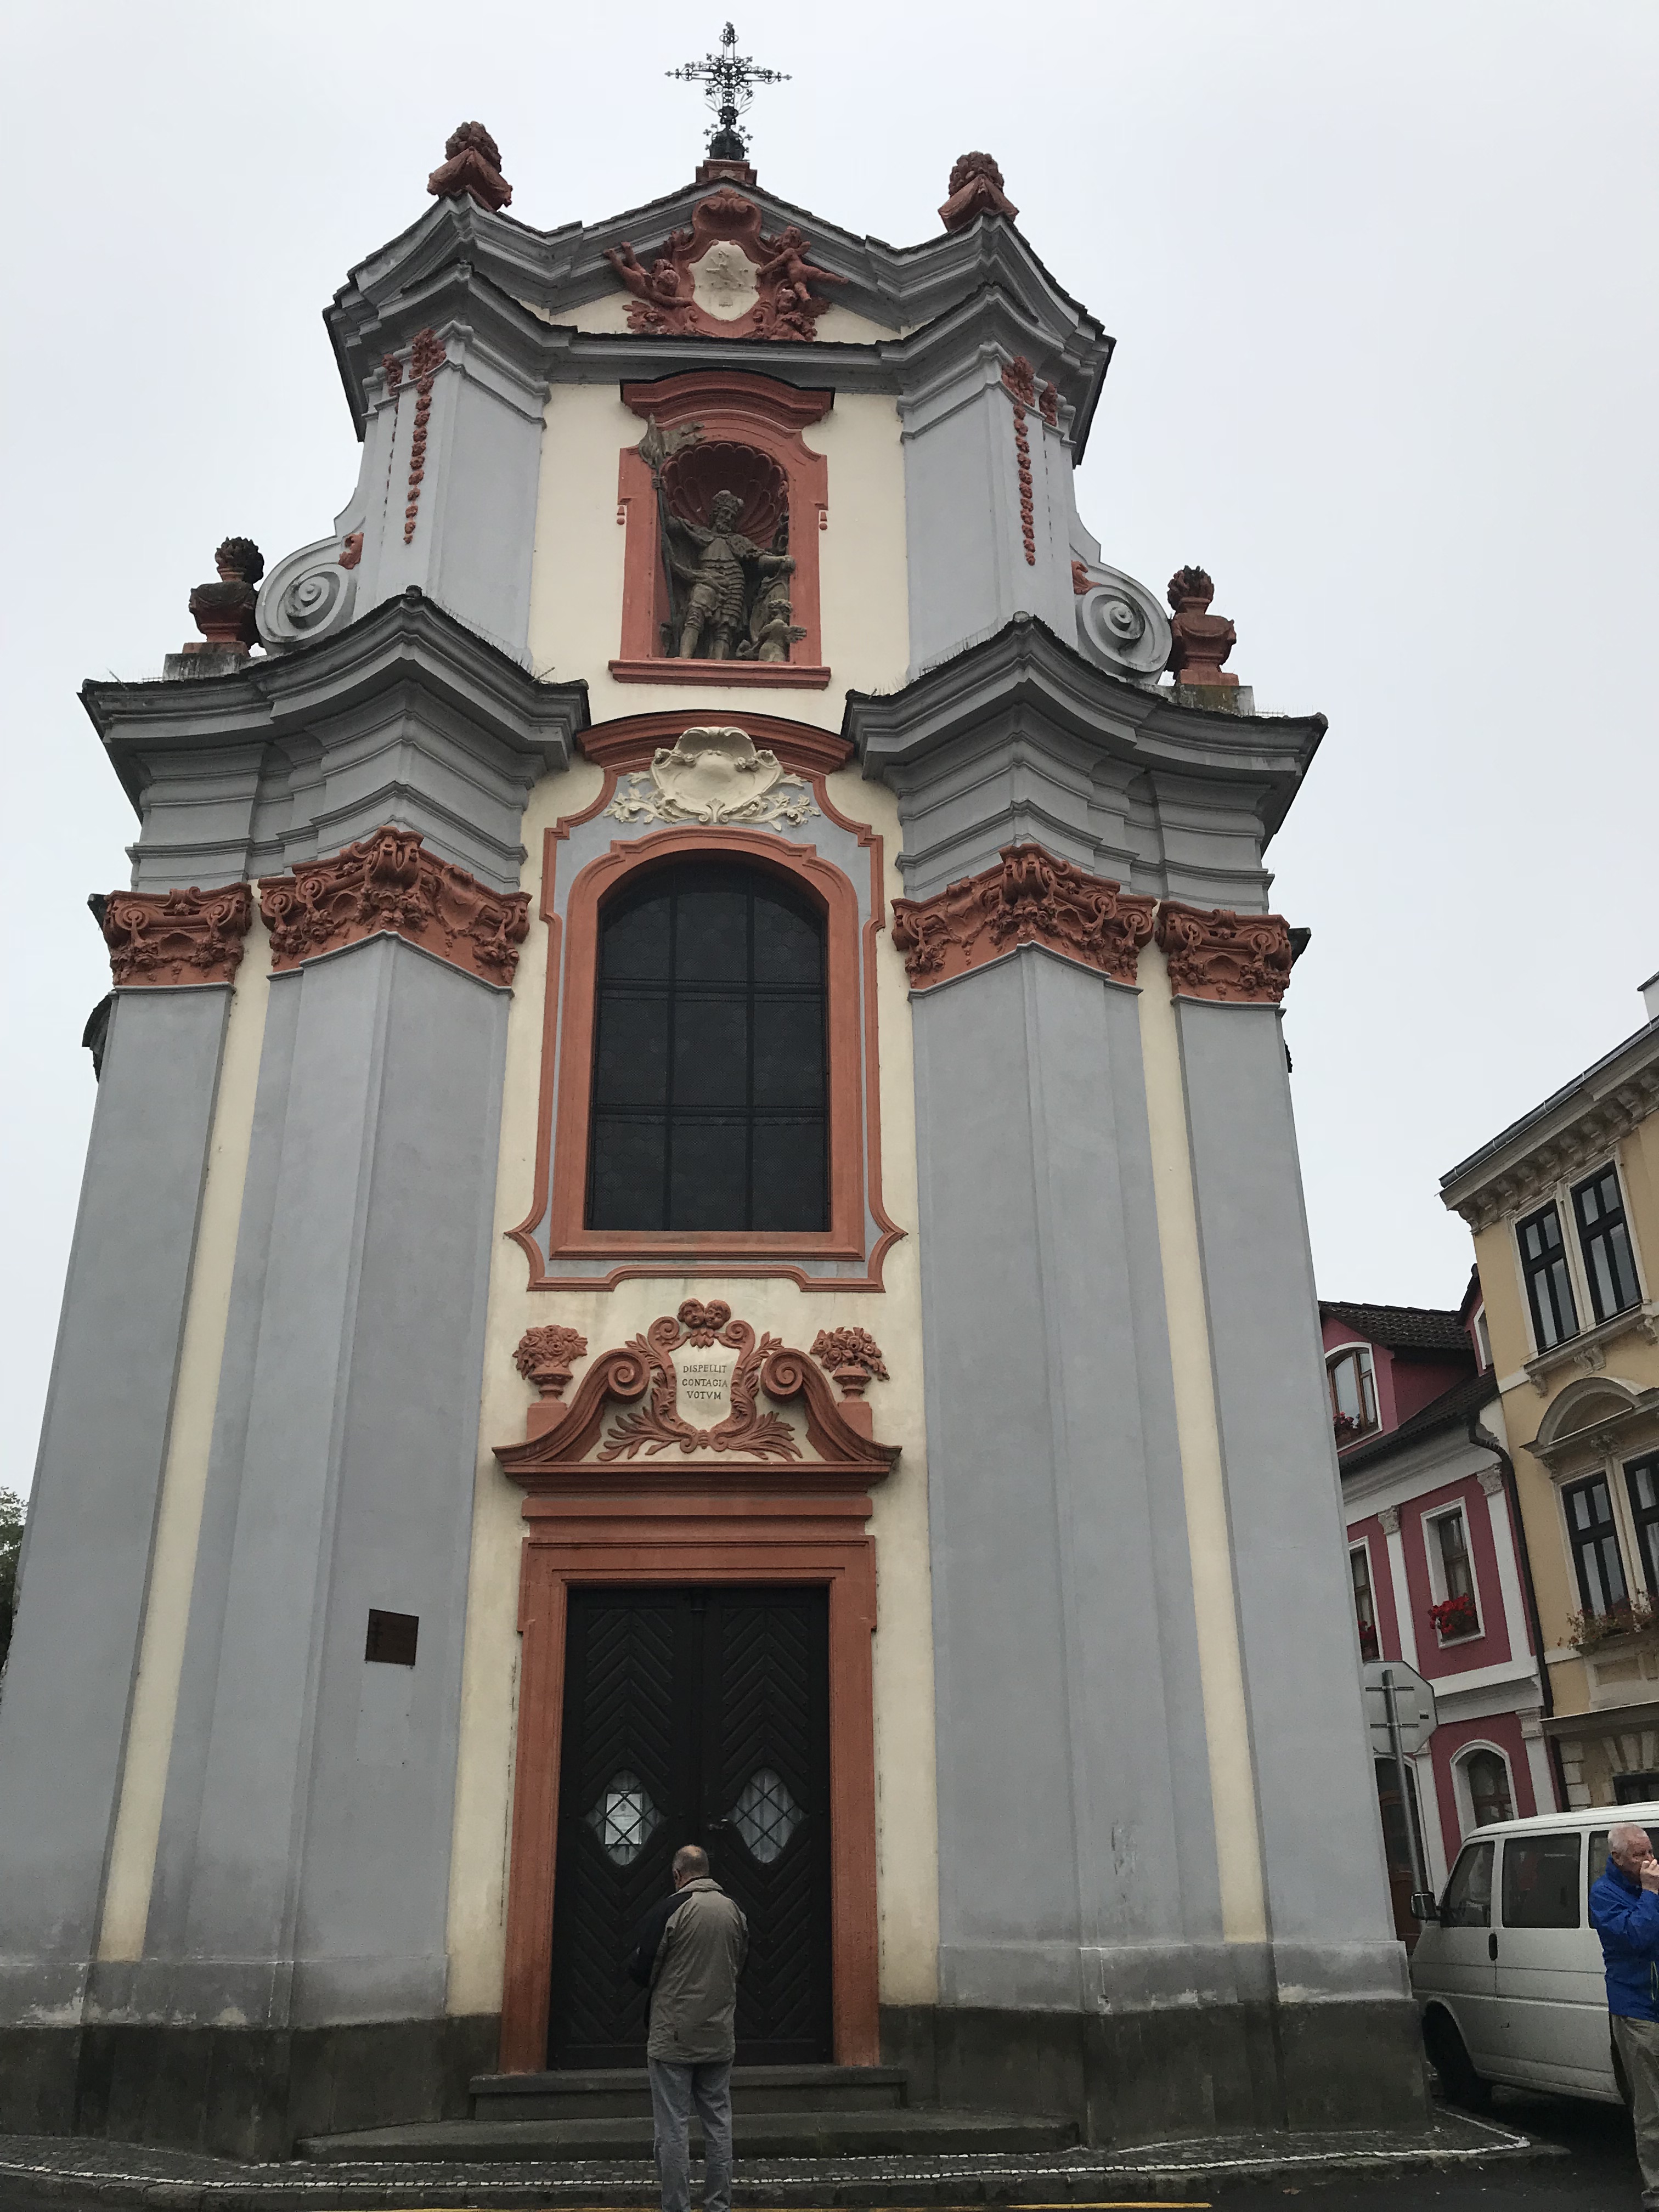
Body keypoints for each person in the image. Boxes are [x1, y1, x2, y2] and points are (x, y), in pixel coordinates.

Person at [627, 1843, 749, 2212]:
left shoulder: (671, 1909)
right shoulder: (734, 1911)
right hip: (718, 2034)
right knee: (718, 2124)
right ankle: (718, 2204)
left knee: (673, 2128)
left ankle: (676, 2206)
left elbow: (641, 1969)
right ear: (707, 1871)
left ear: (678, 1875)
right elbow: (740, 1964)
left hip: (674, 2036)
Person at [1590, 1819, 1659, 2206]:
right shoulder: (1604, 1894)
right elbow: (1636, 1937)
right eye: (1638, 1855)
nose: (1648, 1859)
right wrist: (1650, 1894)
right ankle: (1658, 2191)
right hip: (1638, 2008)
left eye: (1649, 1851)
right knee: (1652, 2108)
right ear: (1617, 1858)